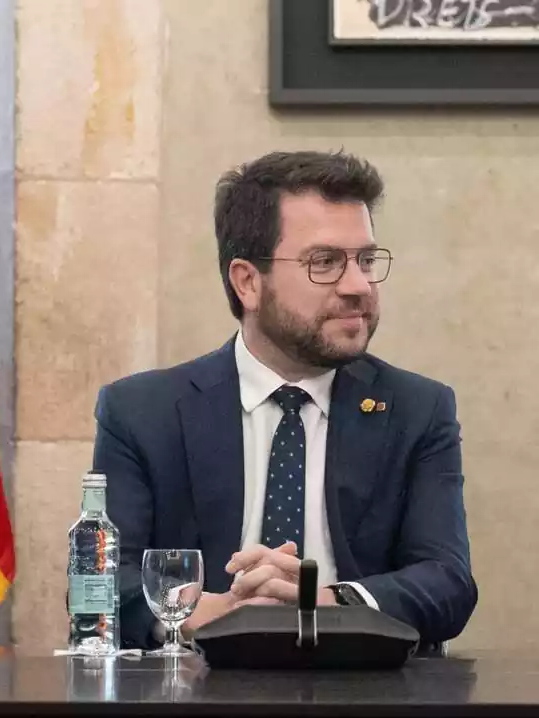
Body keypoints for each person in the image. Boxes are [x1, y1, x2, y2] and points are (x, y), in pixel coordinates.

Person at [93, 150, 476, 650]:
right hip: (193, 702)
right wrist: (216, 611)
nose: (359, 286)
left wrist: (332, 603)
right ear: (248, 282)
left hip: (366, 702)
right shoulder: (143, 412)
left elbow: (447, 581)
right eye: (325, 263)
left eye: (365, 260)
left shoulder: (417, 409)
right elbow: (100, 586)